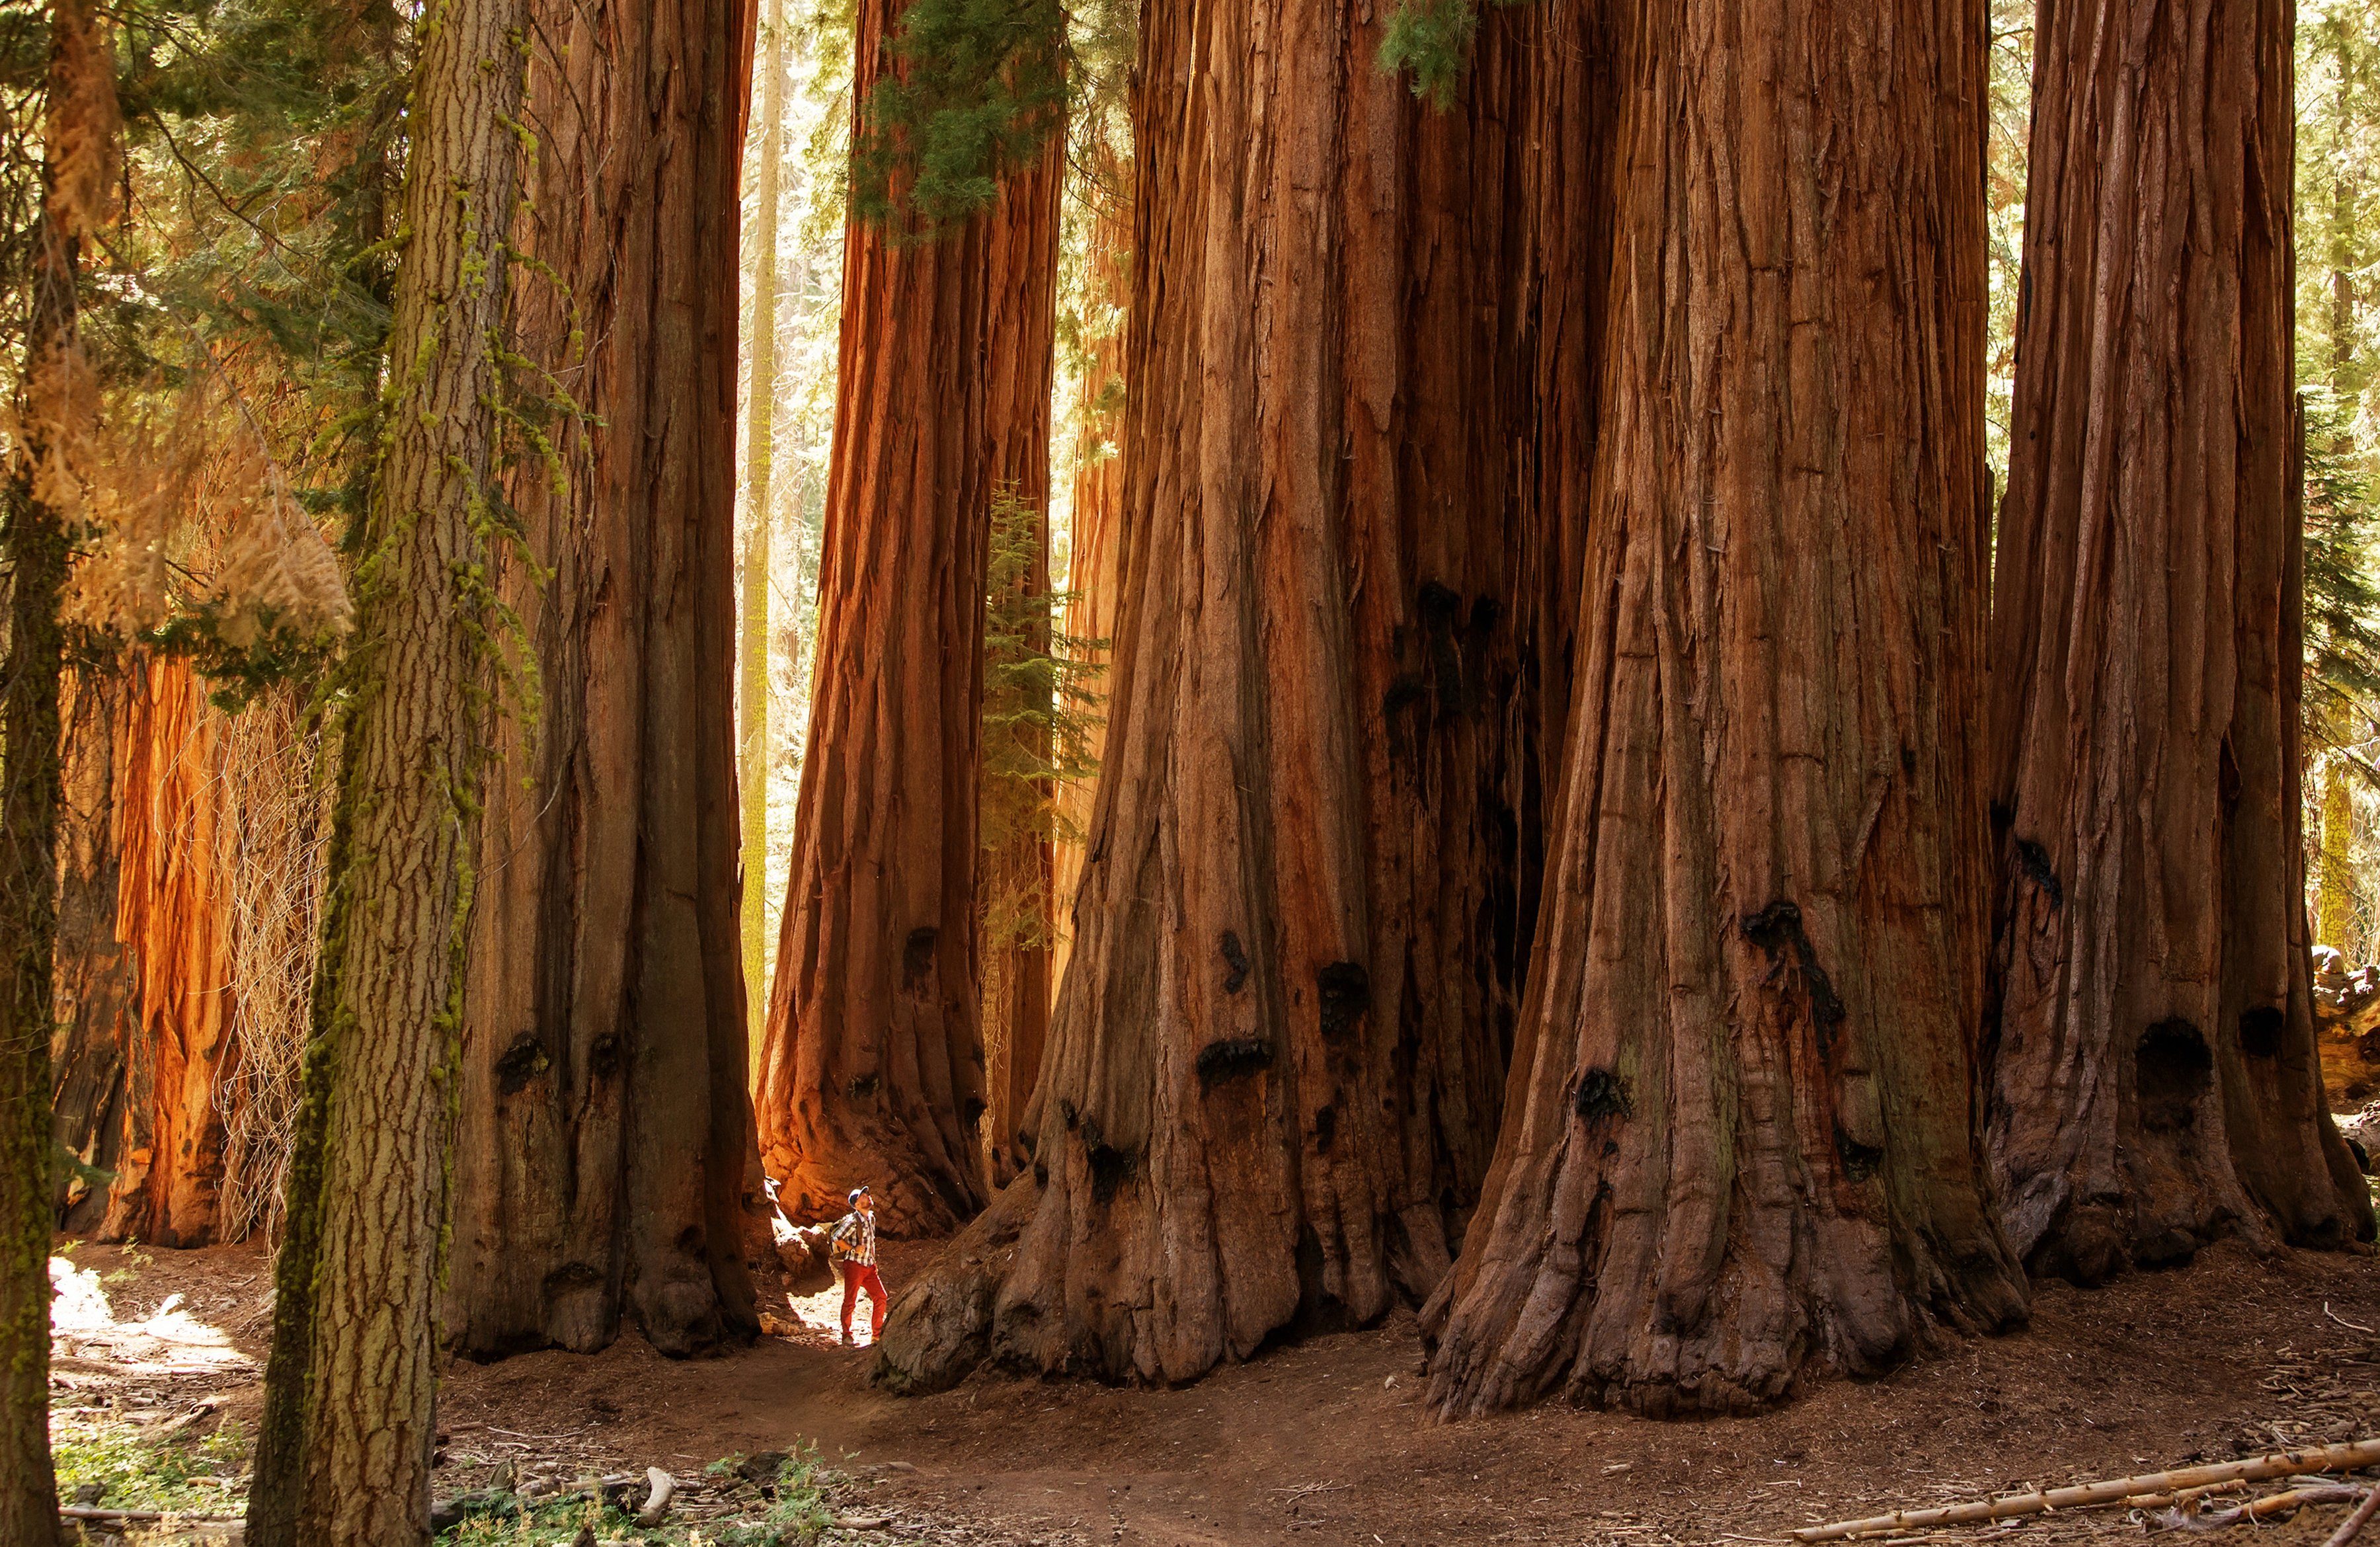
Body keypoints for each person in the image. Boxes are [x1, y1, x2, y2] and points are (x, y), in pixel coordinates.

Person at [827, 1185, 887, 1347]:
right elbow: (836, 1237)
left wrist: (873, 1261)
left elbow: (871, 1242)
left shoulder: (871, 1218)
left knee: (881, 1297)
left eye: (867, 1195)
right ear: (857, 1205)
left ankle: (877, 1335)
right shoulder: (852, 1221)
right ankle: (847, 1335)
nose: (867, 1197)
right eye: (863, 1197)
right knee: (850, 1300)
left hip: (869, 1266)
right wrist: (853, 1249)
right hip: (854, 1265)